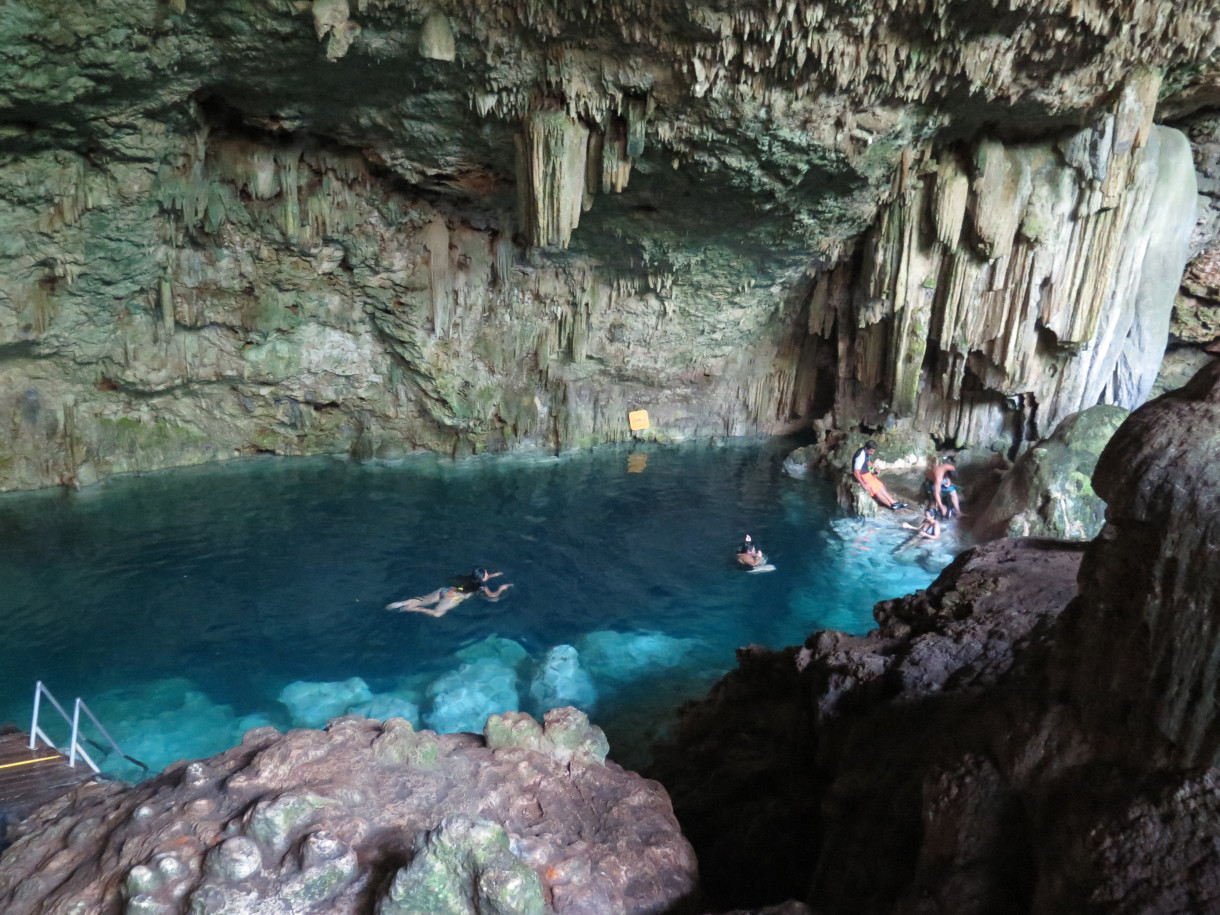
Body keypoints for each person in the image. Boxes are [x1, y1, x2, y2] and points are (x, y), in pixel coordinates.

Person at [386, 568, 512, 617]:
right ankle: (411, 609)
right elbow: (493, 595)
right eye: (487, 574)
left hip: (446, 591)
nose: (488, 574)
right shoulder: (482, 587)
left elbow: (478, 580)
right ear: (482, 578)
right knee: (437, 614)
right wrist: (502, 588)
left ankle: (402, 603)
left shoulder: (468, 577)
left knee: (424, 600)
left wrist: (493, 575)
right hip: (455, 598)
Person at [851, 440, 907, 511]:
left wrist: (874, 468)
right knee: (877, 490)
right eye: (871, 451)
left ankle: (893, 502)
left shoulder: (866, 452)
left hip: (866, 474)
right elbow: (856, 472)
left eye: (873, 451)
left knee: (880, 486)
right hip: (862, 476)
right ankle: (890, 505)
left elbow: (867, 461)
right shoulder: (860, 456)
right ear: (866, 448)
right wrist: (863, 484)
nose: (872, 453)